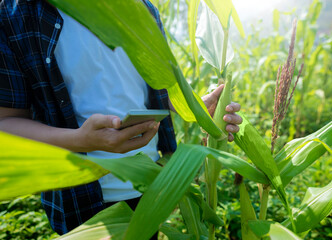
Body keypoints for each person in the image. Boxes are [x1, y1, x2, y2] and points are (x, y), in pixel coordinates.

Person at [0, 0, 242, 237]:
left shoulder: (142, 8)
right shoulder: (15, 15)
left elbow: (150, 91)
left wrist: (196, 107)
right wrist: (81, 140)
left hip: (152, 184)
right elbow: (6, 123)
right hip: (81, 200)